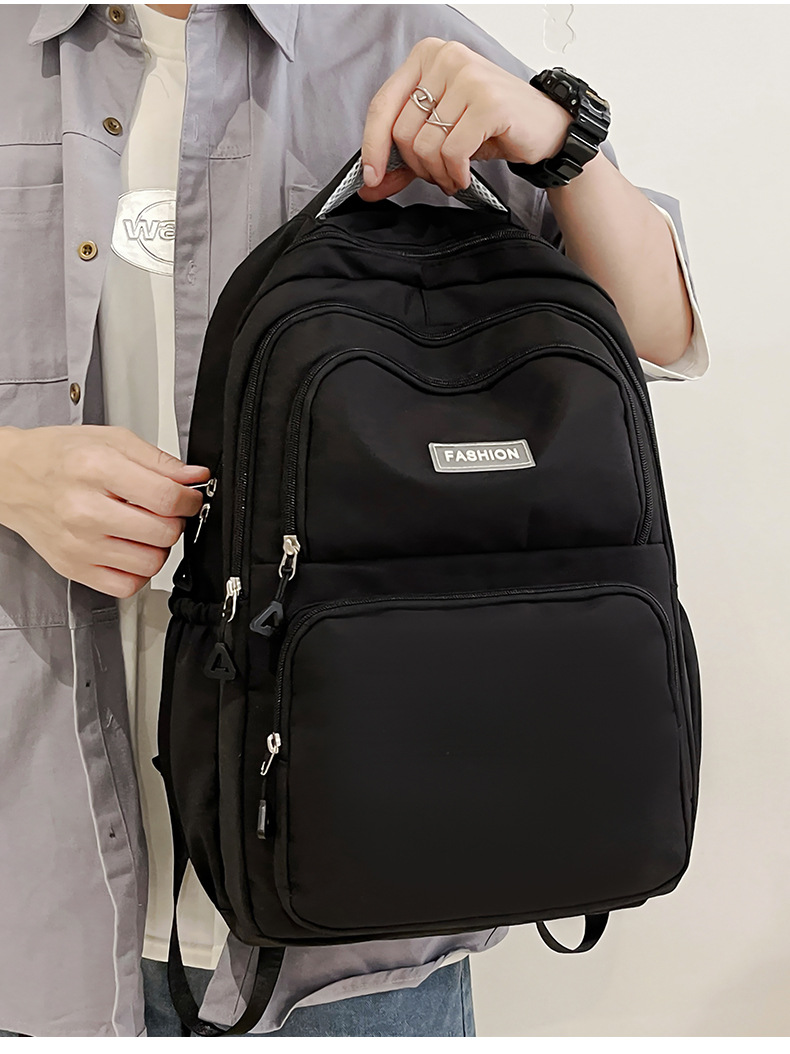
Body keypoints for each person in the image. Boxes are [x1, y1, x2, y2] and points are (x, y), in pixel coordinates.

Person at [0, 3, 710, 1038]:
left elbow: (657, 330)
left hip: (364, 927)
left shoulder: (399, 37)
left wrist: (563, 140)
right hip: (33, 897)